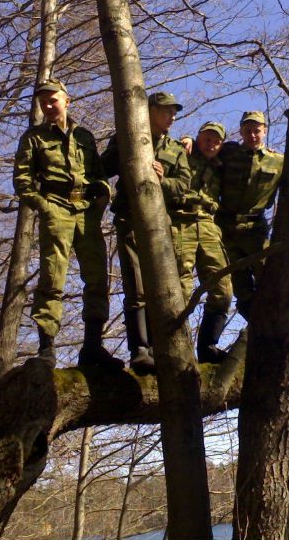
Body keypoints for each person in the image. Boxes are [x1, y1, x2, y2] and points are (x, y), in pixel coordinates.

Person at [13, 80, 123, 371]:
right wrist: (43, 205)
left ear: (67, 100)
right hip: (56, 208)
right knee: (52, 278)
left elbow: (98, 174)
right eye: (43, 102)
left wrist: (101, 199)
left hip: (87, 211)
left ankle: (92, 348)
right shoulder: (34, 138)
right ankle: (46, 348)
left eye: (53, 100)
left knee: (98, 278)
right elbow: (23, 180)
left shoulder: (84, 135)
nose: (48, 106)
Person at [101, 92, 191, 373]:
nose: (172, 117)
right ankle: (139, 349)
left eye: (174, 112)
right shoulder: (127, 136)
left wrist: (162, 179)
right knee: (136, 285)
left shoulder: (176, 148)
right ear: (150, 111)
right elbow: (104, 167)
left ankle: (160, 347)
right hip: (129, 218)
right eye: (166, 111)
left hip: (161, 223)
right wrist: (126, 152)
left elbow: (183, 187)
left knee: (165, 287)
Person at [170, 121, 233, 363]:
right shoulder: (182, 152)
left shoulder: (222, 164)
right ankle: (175, 344)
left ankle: (208, 346)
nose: (211, 143)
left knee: (223, 287)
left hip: (208, 225)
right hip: (181, 221)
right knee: (180, 287)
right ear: (198, 138)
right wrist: (184, 139)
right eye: (207, 138)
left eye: (216, 140)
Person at [213, 111, 284, 319]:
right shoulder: (227, 152)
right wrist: (188, 139)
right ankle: (254, 321)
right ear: (241, 131)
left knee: (268, 275)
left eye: (257, 130)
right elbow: (204, 149)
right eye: (248, 130)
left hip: (255, 228)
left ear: (265, 131)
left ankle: (271, 319)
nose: (252, 135)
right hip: (226, 227)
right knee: (240, 284)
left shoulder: (278, 161)